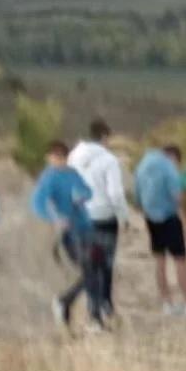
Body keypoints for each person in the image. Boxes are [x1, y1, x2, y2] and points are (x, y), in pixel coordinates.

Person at [32, 141, 105, 332]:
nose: (59, 160)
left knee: (96, 269)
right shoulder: (48, 178)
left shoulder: (73, 174)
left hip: (85, 227)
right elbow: (39, 204)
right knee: (90, 270)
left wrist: (81, 195)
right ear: (48, 158)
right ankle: (84, 312)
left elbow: (87, 191)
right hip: (68, 233)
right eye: (55, 156)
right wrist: (56, 219)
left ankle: (85, 313)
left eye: (62, 156)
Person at [135, 145, 186, 317]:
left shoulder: (143, 164)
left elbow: (137, 194)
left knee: (160, 261)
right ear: (174, 157)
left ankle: (167, 303)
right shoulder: (168, 167)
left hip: (150, 218)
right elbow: (177, 195)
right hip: (169, 217)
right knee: (180, 260)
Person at [68, 119, 128, 317]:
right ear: (104, 136)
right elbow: (116, 193)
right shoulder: (109, 160)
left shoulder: (73, 156)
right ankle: (105, 304)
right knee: (105, 263)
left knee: (89, 263)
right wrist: (123, 216)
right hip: (104, 217)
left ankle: (92, 305)